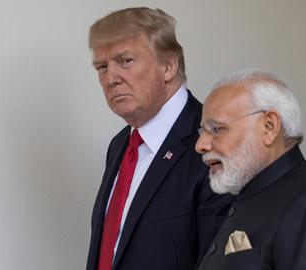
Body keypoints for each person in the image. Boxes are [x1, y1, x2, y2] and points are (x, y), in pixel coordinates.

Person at [86, 7, 231, 270]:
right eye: (102, 66)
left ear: (168, 66)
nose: (111, 78)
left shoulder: (215, 143)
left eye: (126, 61)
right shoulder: (120, 145)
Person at [195, 69, 306, 270]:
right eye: (202, 131)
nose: (200, 145)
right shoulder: (248, 197)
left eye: (216, 129)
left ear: (269, 126)